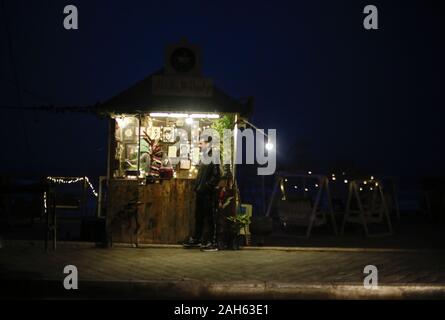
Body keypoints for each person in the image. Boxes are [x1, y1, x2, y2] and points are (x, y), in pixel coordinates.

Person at [183, 136, 221, 251]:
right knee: (198, 217)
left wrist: (207, 187)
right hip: (201, 193)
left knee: (211, 218)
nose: (199, 146)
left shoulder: (214, 156)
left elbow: (217, 175)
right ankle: (197, 239)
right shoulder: (204, 157)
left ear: (208, 144)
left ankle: (213, 243)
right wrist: (197, 187)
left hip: (208, 193)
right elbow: (201, 175)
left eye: (201, 143)